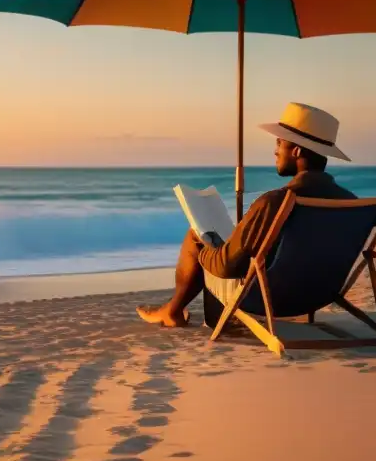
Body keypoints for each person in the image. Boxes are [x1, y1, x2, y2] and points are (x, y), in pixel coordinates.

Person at [136, 102, 356, 328]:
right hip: (319, 295)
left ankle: (172, 311)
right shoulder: (351, 203)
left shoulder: (275, 202)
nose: (275, 150)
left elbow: (227, 267)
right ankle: (173, 309)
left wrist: (203, 246)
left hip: (270, 299)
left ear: (297, 151)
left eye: (279, 142)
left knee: (195, 236)